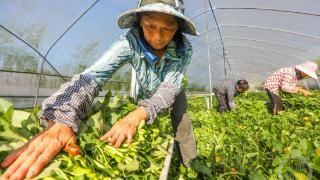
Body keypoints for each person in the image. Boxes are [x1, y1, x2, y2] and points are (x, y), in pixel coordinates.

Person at [0, 0, 199, 179]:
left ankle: (192, 168)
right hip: (145, 92)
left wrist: (135, 115)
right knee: (140, 125)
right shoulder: (129, 43)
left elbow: (168, 90)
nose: (157, 36)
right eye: (150, 26)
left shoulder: (184, 49)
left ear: (177, 29)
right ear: (139, 21)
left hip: (172, 90)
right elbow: (93, 76)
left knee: (182, 126)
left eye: (167, 29)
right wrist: (62, 118)